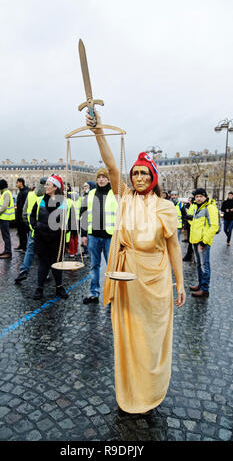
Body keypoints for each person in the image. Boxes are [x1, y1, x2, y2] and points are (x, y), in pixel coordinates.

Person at [86, 111, 186, 414]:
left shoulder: (166, 207)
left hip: (155, 280)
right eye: (136, 173)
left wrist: (179, 282)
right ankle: (129, 392)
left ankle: (151, 392)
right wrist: (98, 132)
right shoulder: (125, 197)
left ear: (153, 178)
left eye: (145, 174)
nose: (139, 178)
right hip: (126, 275)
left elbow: (174, 247)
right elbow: (112, 165)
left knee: (151, 338)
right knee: (129, 337)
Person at [82, 168, 118, 304]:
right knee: (94, 265)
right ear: (96, 179)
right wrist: (84, 234)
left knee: (111, 267)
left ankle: (111, 295)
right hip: (93, 235)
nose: (101, 179)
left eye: (104, 177)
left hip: (110, 236)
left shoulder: (114, 194)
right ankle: (94, 293)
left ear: (108, 179)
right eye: (99, 177)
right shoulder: (90, 194)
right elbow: (84, 214)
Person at [30, 175, 68, 301]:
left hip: (56, 238)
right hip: (42, 238)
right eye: (45, 184)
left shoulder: (63, 202)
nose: (45, 186)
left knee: (56, 264)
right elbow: (32, 216)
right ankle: (39, 288)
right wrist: (36, 226)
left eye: (48, 184)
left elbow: (67, 221)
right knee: (43, 264)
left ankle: (59, 287)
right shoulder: (39, 200)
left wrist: (64, 232)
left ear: (55, 187)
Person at [14, 178, 47, 284]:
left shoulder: (31, 194)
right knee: (44, 252)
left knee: (30, 250)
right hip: (45, 229)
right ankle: (45, 273)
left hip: (33, 227)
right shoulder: (49, 196)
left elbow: (24, 211)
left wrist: (29, 225)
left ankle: (24, 270)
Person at [188, 188, 219, 298]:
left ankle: (205, 289)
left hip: (203, 241)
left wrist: (204, 241)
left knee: (204, 265)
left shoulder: (210, 208)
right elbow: (193, 221)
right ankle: (200, 285)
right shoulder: (197, 207)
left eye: (201, 196)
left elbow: (214, 226)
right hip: (195, 240)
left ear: (205, 197)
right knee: (199, 265)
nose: (198, 198)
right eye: (196, 197)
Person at [0, 180, 15, 259]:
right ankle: (6, 251)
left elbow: (4, 206)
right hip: (3, 218)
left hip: (5, 218)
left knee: (6, 236)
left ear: (2, 185)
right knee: (5, 235)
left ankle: (8, 252)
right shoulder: (5, 193)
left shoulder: (6, 193)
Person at [79, 181, 96, 256]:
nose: (84, 188)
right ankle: (86, 250)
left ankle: (88, 251)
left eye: (86, 186)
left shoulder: (92, 197)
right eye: (84, 187)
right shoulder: (84, 196)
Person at [14, 178, 30, 252]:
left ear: (21, 183)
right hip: (19, 215)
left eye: (17, 182)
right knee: (20, 232)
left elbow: (24, 205)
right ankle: (21, 245)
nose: (16, 184)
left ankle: (24, 247)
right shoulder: (21, 191)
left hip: (22, 215)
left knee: (24, 232)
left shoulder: (25, 192)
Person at [182, 195, 195, 262]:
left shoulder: (195, 205)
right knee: (190, 242)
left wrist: (190, 217)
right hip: (190, 225)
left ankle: (192, 257)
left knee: (193, 243)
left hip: (194, 226)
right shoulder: (192, 205)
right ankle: (189, 256)